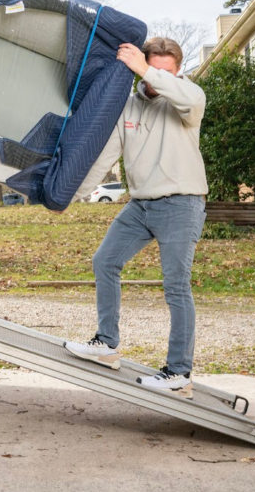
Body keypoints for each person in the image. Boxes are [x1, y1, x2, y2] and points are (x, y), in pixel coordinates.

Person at [62, 37, 208, 399]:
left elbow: (186, 98)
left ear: (177, 71)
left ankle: (178, 374)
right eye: (150, 70)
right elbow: (105, 156)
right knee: (105, 261)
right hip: (140, 206)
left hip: (181, 203)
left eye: (165, 72)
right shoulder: (128, 108)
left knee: (176, 286)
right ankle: (107, 345)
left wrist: (146, 70)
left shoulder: (189, 98)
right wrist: (71, 195)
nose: (156, 78)